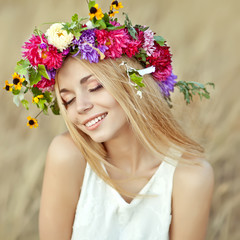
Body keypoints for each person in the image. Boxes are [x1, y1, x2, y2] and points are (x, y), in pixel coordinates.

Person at [4, 1, 214, 239]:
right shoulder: (67, 157)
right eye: (68, 100)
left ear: (133, 82)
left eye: (95, 87)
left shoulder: (191, 177)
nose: (81, 106)